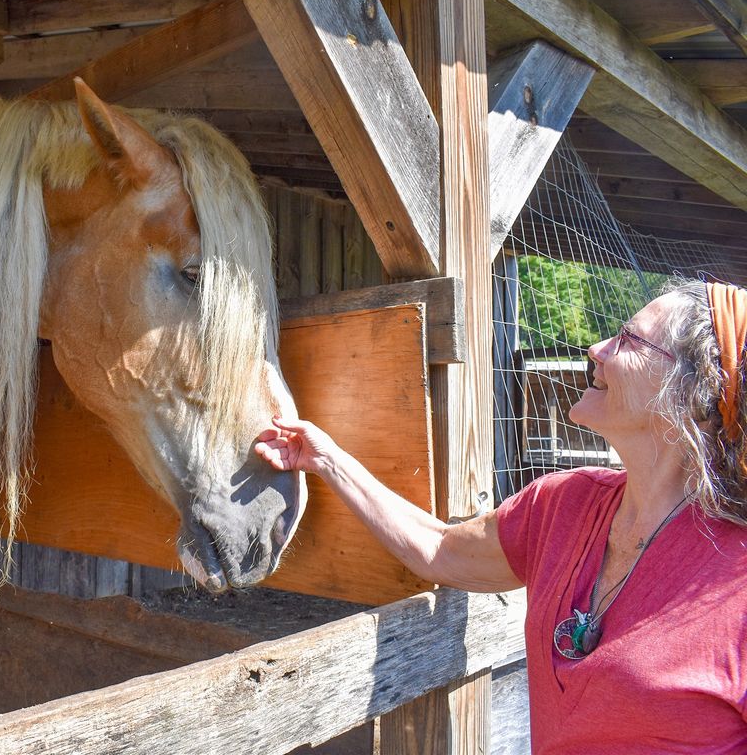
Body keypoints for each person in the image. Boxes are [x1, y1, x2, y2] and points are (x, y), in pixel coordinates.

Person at [255, 278, 747, 753]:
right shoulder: (563, 506)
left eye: (628, 340)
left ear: (697, 398)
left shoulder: (736, 580)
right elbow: (441, 550)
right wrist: (327, 459)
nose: (596, 349)